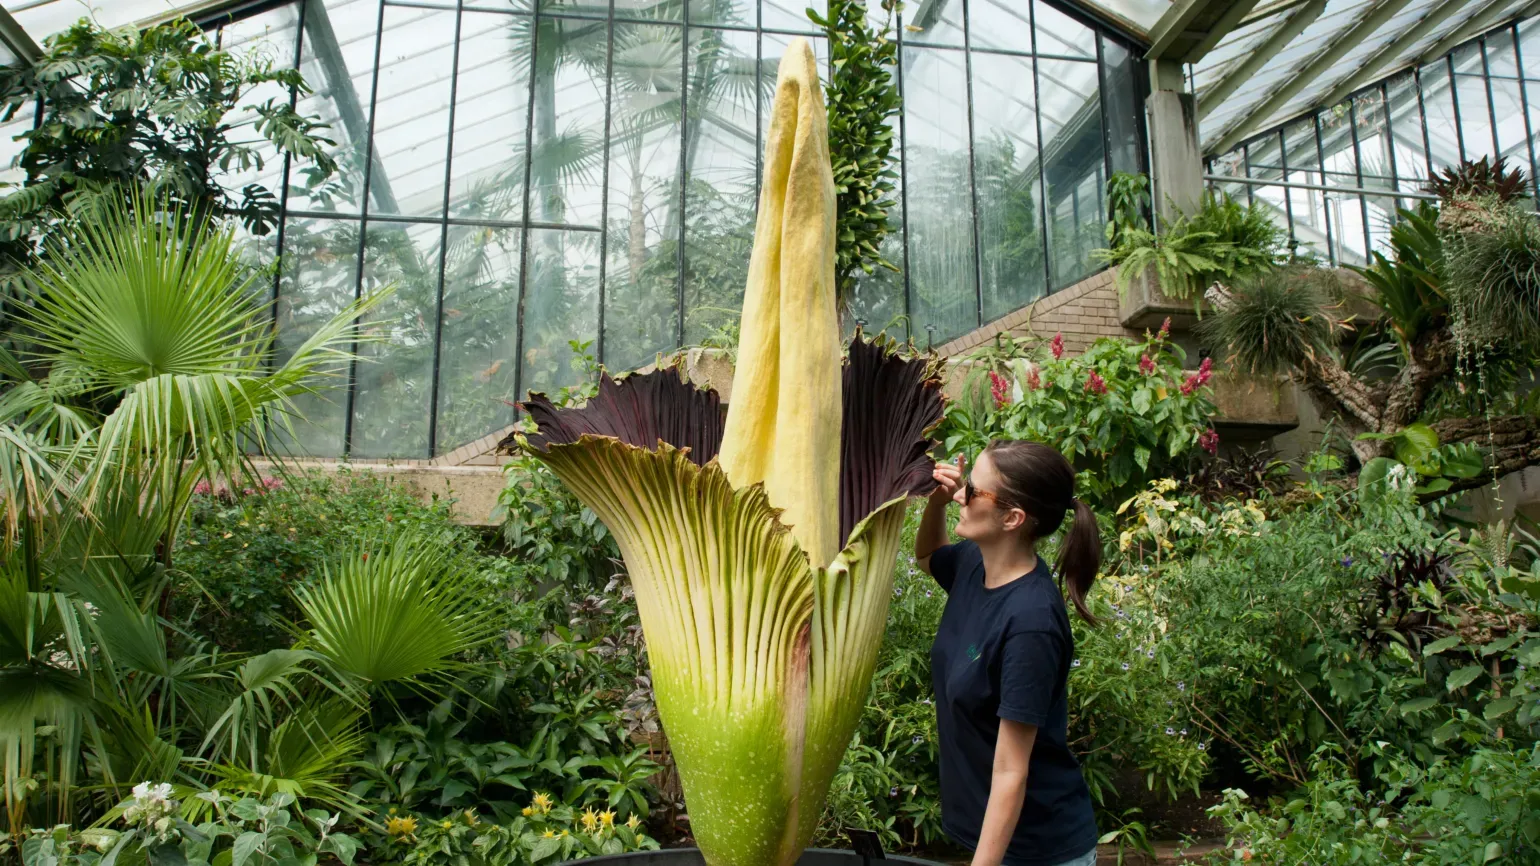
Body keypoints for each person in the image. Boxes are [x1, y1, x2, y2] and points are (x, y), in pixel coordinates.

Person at [915, 439, 1101, 866]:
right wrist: (939, 503)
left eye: (973, 490)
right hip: (997, 840)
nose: (961, 493)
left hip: (1038, 850)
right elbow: (926, 556)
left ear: (1013, 518)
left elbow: (1011, 770)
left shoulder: (1030, 624)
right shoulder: (973, 565)